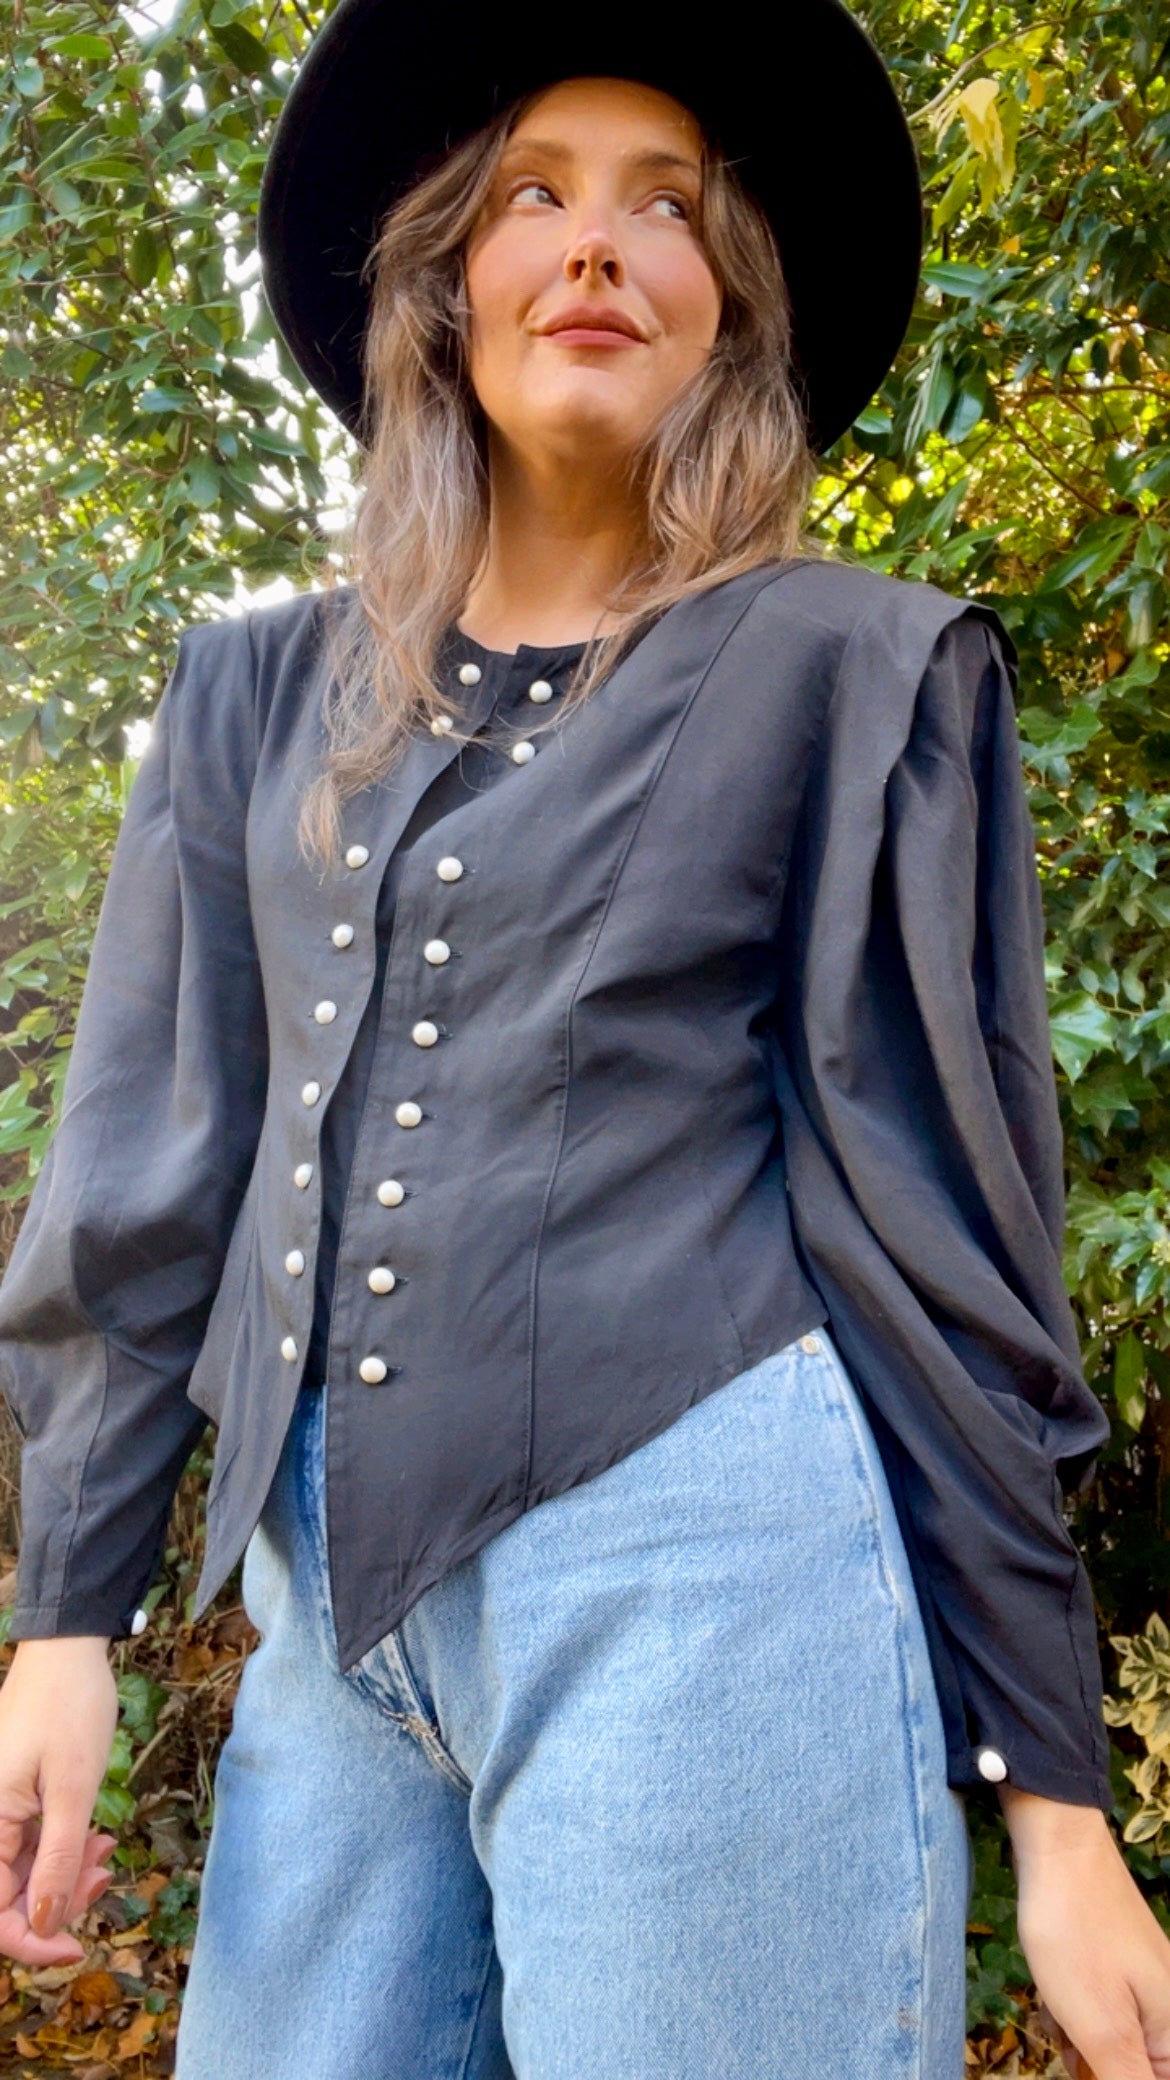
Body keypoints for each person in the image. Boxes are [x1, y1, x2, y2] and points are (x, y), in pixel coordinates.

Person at [0, 2, 1168, 2074]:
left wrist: (1054, 1800)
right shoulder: (253, 692)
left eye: (668, 207)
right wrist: (64, 1620)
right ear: (446, 280)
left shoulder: (857, 670)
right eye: (532, 195)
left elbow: (938, 1229)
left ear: (734, 301)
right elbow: (149, 1167)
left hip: (715, 1570)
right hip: (322, 1628)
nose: (599, 244)